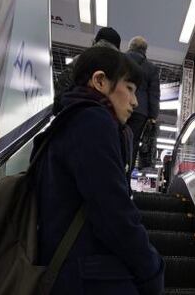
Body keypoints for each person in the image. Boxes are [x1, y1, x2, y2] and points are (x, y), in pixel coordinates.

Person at [32, 46, 165, 295]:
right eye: (130, 88)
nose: (135, 102)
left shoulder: (66, 122)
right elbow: (113, 211)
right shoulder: (93, 121)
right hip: (85, 276)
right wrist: (152, 269)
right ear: (100, 80)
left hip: (67, 270)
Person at [54, 27, 121, 115]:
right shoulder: (119, 71)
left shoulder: (79, 62)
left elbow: (60, 97)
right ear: (118, 50)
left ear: (94, 42)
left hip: (71, 117)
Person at [126, 36, 160, 170]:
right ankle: (126, 180)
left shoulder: (119, 60)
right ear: (145, 51)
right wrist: (153, 116)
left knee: (114, 139)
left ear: (130, 47)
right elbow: (154, 94)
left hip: (118, 105)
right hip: (140, 112)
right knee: (132, 144)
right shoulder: (151, 68)